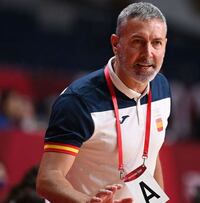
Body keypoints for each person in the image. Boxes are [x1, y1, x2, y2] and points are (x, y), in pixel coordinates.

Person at [36, 2, 170, 202]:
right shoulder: (79, 101)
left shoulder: (160, 86)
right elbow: (48, 179)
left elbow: (150, 154)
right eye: (137, 41)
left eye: (156, 43)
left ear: (164, 45)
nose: (148, 53)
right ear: (116, 44)